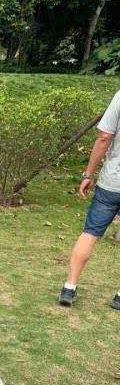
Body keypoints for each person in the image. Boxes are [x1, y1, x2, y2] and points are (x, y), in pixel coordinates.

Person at [59, 90, 120, 310]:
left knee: (90, 232)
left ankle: (69, 287)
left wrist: (88, 174)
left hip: (112, 181)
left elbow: (104, 138)